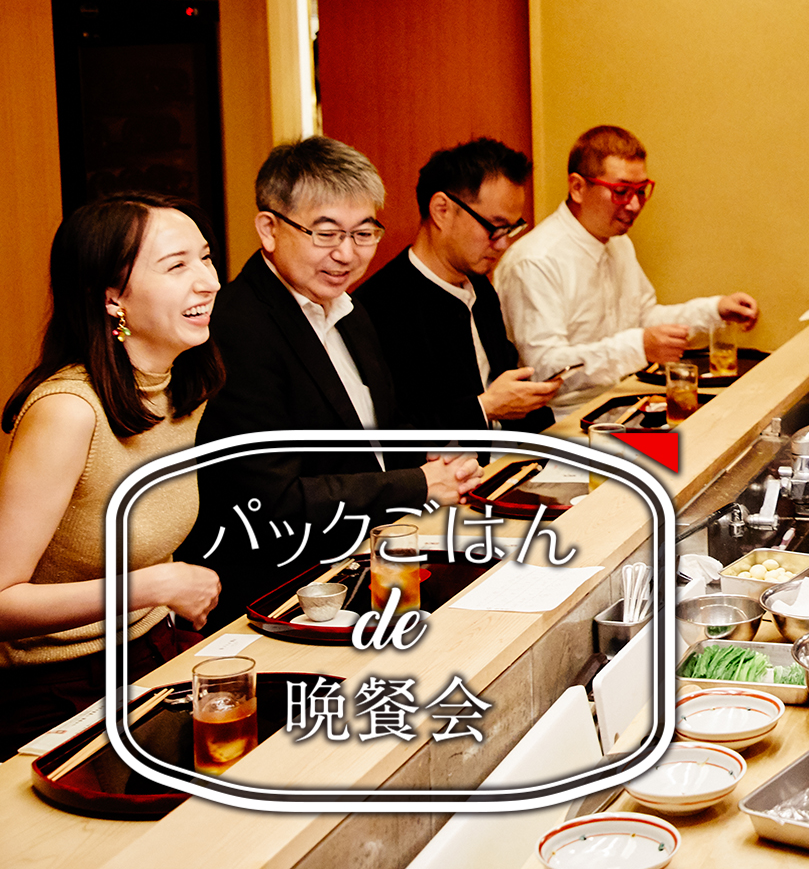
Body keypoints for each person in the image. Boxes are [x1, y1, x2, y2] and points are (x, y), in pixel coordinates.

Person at [183, 137, 480, 633]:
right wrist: (418, 483)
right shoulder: (235, 328)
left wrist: (429, 455)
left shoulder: (349, 309)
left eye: (364, 233)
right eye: (326, 234)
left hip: (369, 562)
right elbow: (270, 498)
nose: (347, 254)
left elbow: (370, 434)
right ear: (269, 229)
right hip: (282, 593)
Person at [0, 194, 225, 759]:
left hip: (150, 654)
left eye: (205, 257)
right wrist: (154, 585)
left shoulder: (181, 388)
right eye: (176, 266)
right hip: (52, 686)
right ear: (112, 298)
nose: (209, 282)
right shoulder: (69, 410)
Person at [497, 125, 759, 416]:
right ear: (578, 188)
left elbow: (644, 318)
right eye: (621, 192)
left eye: (641, 191)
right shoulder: (536, 260)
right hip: (562, 419)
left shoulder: (618, 243)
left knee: (734, 416)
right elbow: (545, 370)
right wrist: (638, 347)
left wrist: (714, 311)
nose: (634, 205)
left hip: (623, 401)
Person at [358, 136, 558, 434]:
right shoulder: (380, 306)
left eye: (511, 229)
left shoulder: (479, 286)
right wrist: (484, 408)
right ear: (442, 210)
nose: (503, 244)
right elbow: (395, 431)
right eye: (494, 227)